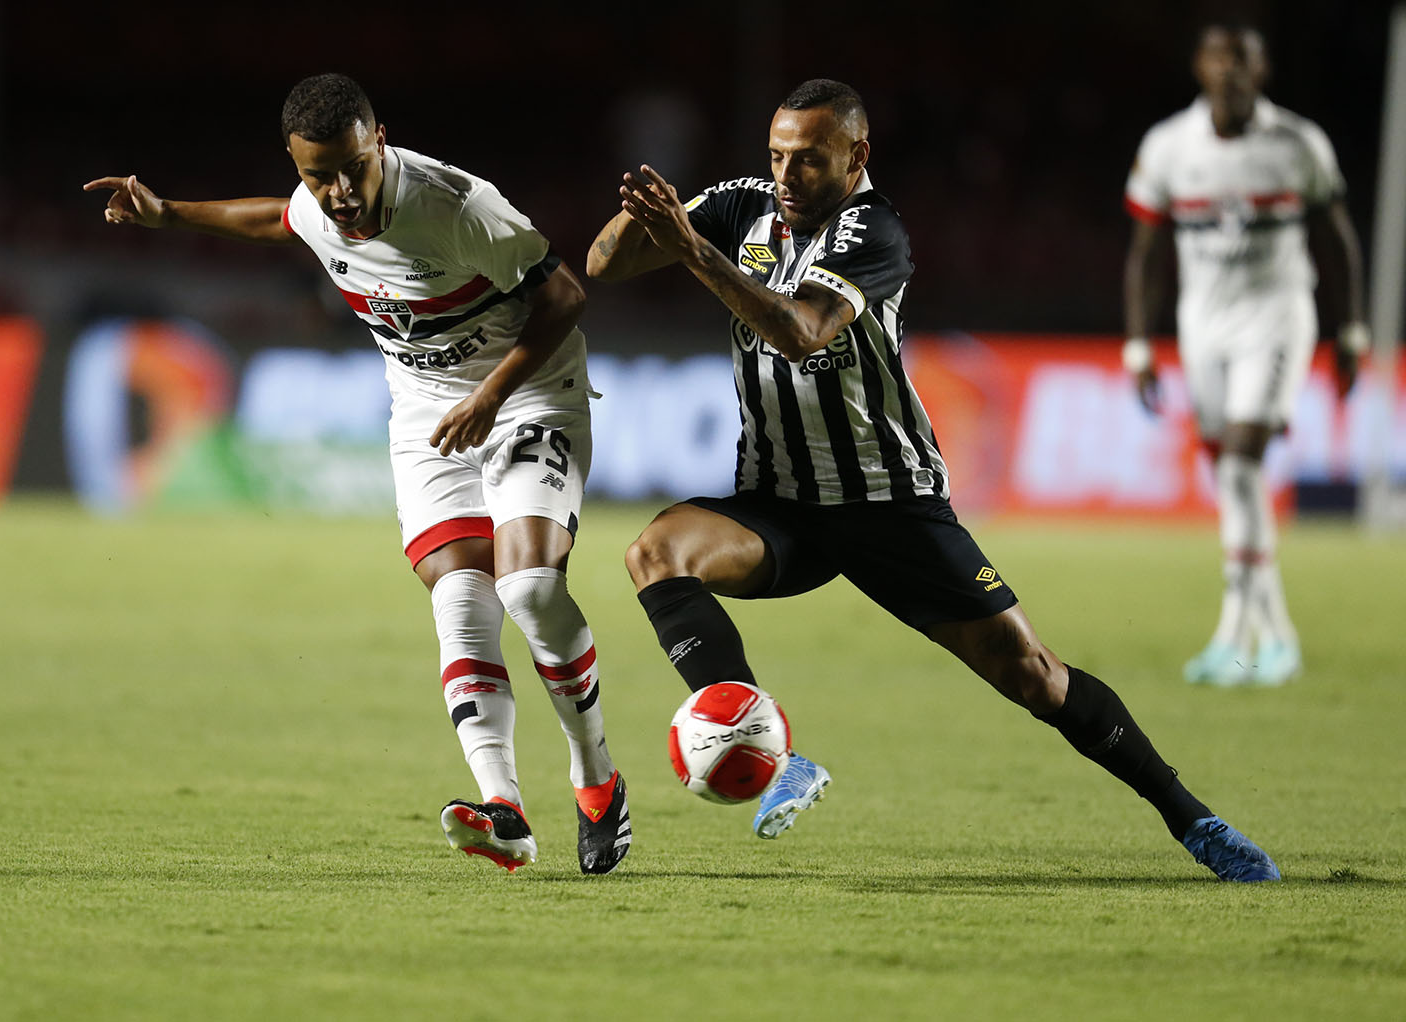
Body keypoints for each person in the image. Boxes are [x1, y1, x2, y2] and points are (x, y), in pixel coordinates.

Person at [587, 78, 1280, 881]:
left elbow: (803, 333)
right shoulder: (744, 205)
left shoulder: (873, 232)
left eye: (808, 159)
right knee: (655, 553)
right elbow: (605, 264)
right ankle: (775, 750)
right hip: (778, 503)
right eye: (776, 156)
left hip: (891, 505)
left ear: (857, 156)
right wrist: (650, 217)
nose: (786, 174)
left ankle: (1194, 821)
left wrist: (694, 249)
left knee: (1034, 675)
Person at [85, 73, 630, 875]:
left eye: (352, 169)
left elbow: (566, 295)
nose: (339, 194)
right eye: (317, 175)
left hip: (527, 393)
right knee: (459, 593)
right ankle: (504, 808)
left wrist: (490, 393)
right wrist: (169, 214)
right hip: (425, 414)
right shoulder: (314, 202)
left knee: (530, 588)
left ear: (380, 140)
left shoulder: (456, 206)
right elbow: (278, 219)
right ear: (297, 162)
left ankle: (596, 776)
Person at [1123, 24, 1370, 687]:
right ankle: (1270, 635)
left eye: (1244, 59)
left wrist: (1351, 331)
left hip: (1278, 315)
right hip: (1203, 325)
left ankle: (1244, 634)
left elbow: (1336, 237)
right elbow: (1146, 251)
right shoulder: (1170, 146)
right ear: (1199, 67)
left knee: (1238, 465)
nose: (1230, 70)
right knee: (1233, 478)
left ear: (1263, 70)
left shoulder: (1298, 143)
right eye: (1218, 57)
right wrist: (1140, 341)